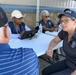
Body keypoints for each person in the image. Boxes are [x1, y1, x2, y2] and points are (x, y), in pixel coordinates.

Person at [0, 7, 39, 75]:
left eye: (21, 18)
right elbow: (10, 36)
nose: (20, 20)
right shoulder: (10, 25)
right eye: (19, 18)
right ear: (13, 18)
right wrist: (19, 35)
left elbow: (29, 30)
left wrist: (31, 32)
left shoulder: (23, 24)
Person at [42, 9, 76, 75]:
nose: (62, 23)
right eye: (62, 21)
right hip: (68, 62)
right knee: (45, 72)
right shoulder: (64, 32)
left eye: (66, 21)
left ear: (75, 21)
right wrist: (50, 48)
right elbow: (54, 41)